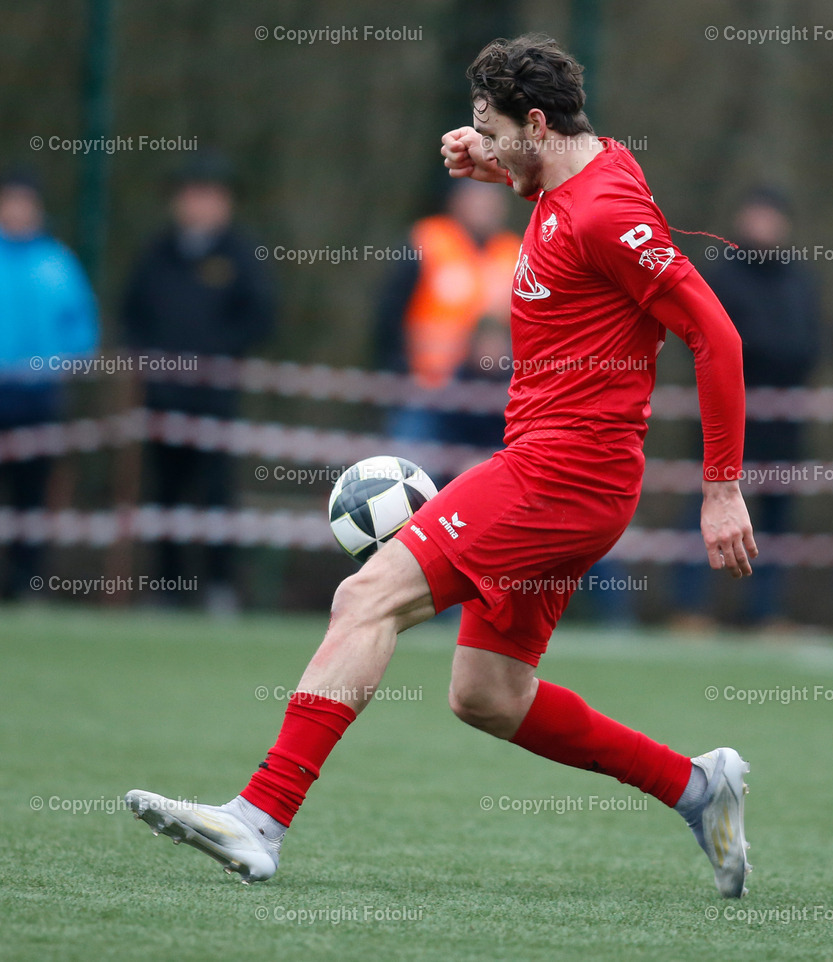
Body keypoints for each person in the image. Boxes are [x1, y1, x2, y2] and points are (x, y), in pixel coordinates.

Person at [125, 36, 757, 899]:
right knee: (489, 693)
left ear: (537, 123)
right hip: (563, 473)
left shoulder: (609, 210)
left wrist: (721, 489)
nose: (477, 143)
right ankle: (696, 786)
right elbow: (571, 207)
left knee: (366, 594)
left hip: (564, 475)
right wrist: (503, 169)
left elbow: (716, 335)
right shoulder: (580, 170)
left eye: (490, 129)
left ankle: (261, 816)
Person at [121, 152, 275, 615]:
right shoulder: (156, 253)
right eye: (191, 195)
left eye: (210, 196)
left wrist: (216, 356)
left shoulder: (241, 255)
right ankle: (166, 589)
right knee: (164, 494)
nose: (199, 205)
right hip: (162, 399)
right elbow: (132, 313)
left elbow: (260, 316)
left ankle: (220, 588)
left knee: (215, 495)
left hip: (215, 400)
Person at [673, 187, 819, 629]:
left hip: (783, 422)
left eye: (771, 217)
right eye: (755, 216)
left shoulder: (800, 281)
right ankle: (689, 607)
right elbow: (711, 341)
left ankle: (766, 611)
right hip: (723, 415)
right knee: (706, 506)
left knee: (775, 519)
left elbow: (808, 345)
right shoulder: (719, 277)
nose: (763, 226)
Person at [0, 167, 99, 599]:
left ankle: (26, 584)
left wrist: (61, 362)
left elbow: (81, 328)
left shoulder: (57, 263)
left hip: (39, 396)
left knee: (32, 498)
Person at [374, 177, 520, 467]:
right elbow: (389, 311)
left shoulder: (515, 252)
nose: (484, 207)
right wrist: (399, 367)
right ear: (456, 201)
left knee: (495, 482)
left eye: (491, 199)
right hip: (429, 387)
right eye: (476, 198)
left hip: (498, 396)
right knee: (413, 477)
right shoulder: (427, 241)